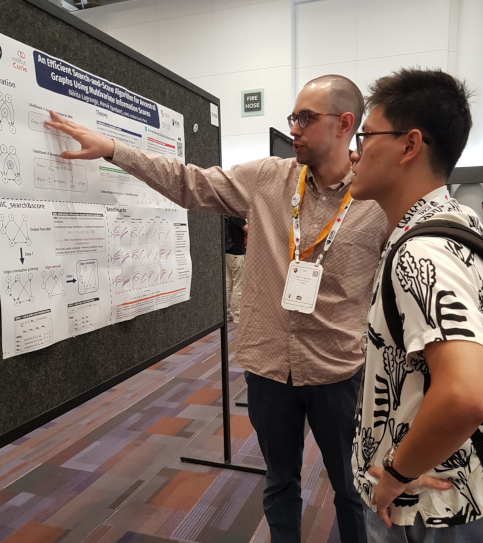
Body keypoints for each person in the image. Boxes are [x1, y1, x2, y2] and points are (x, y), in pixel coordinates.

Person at [46, 74, 391, 543]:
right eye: (293, 117)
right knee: (280, 481)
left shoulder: (376, 198)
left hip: (337, 369)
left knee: (352, 488)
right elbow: (190, 183)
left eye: (306, 118)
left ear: (344, 124)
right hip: (269, 366)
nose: (294, 128)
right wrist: (113, 149)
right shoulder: (268, 178)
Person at [350, 68, 483, 542]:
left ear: (409, 146)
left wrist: (395, 475)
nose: (355, 152)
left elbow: (465, 394)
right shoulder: (461, 221)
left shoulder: (421, 252)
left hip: (423, 507)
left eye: (366, 136)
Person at [225, 216, 247, 323]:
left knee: (228, 285)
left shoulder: (225, 216)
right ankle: (238, 316)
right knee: (238, 285)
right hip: (237, 254)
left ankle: (226, 314)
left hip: (226, 253)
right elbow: (248, 230)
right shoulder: (237, 216)